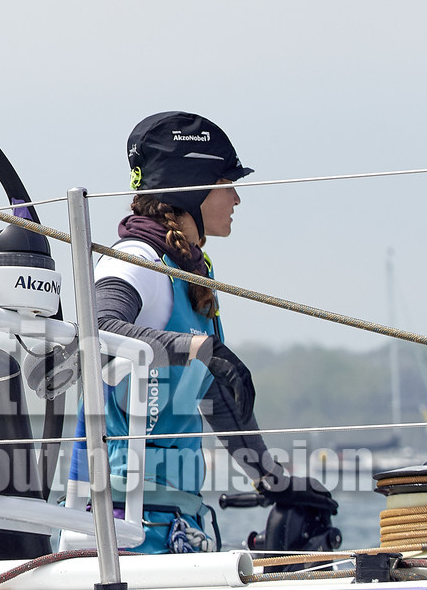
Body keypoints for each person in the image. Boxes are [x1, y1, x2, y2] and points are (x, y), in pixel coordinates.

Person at [90, 111, 326, 553]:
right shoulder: (134, 259)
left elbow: (213, 395)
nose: (236, 197)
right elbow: (98, 330)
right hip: (120, 525)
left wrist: (271, 479)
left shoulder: (190, 270)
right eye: (226, 182)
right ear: (192, 189)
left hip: (174, 521)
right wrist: (200, 348)